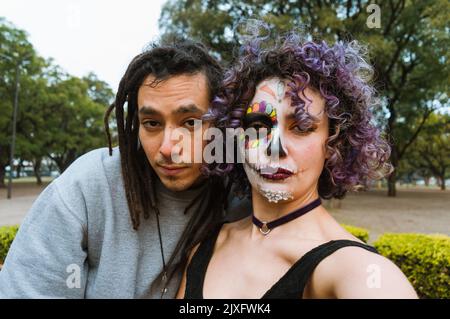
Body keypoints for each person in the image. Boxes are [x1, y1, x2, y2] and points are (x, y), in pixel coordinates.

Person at [177, 29, 418, 299]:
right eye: (258, 125)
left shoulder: (359, 270)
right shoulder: (204, 248)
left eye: (302, 127)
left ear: (334, 143)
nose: (274, 146)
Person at [0, 38, 249, 298]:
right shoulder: (87, 188)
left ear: (222, 121)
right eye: (152, 123)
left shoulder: (243, 194)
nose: (167, 147)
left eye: (189, 122)